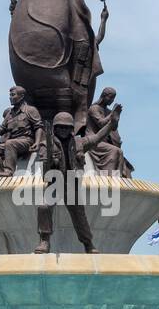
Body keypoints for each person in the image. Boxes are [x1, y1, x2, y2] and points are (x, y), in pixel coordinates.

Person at [34, 108, 120, 253]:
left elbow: (98, 137)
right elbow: (44, 166)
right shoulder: (46, 144)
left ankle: (88, 243)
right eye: (60, 127)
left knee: (79, 215)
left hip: (72, 183)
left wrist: (111, 124)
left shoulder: (80, 142)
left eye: (66, 127)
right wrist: (51, 161)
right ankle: (44, 241)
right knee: (43, 207)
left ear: (71, 129)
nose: (63, 130)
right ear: (55, 128)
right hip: (55, 183)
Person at [0, 87, 44, 176]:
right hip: (13, 144)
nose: (10, 97)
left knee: (10, 143)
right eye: (10, 95)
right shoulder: (9, 114)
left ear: (21, 96)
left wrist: (37, 142)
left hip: (27, 141)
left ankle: (8, 171)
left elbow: (38, 126)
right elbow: (0, 131)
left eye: (13, 95)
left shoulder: (30, 110)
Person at [86, 86, 133, 176]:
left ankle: (117, 177)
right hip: (93, 141)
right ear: (104, 96)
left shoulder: (108, 111)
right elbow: (101, 123)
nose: (112, 100)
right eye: (110, 97)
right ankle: (109, 176)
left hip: (105, 142)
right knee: (115, 151)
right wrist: (112, 114)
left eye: (113, 98)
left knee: (119, 151)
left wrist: (116, 117)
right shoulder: (94, 108)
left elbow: (113, 128)